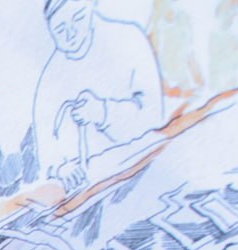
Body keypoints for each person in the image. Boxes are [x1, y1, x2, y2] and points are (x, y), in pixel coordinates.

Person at [32, 0, 164, 192]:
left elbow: (154, 115)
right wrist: (60, 168)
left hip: (149, 168)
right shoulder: (49, 78)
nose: (70, 34)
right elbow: (45, 148)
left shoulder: (128, 39)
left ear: (91, 7)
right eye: (60, 30)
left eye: (78, 18)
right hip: (94, 190)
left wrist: (103, 113)